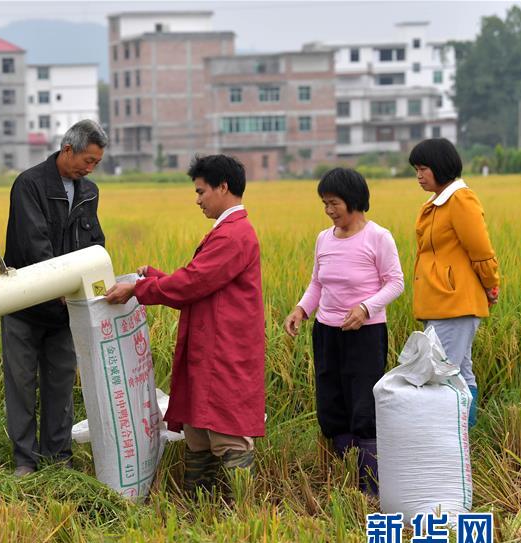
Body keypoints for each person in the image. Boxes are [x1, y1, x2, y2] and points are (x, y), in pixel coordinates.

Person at [104, 154, 265, 501]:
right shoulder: (226, 232)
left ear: (223, 187)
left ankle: (247, 513)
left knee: (226, 432)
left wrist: (139, 289)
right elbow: (197, 285)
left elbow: (193, 283)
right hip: (209, 348)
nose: (198, 200)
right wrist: (155, 279)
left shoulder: (234, 235)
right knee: (198, 431)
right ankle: (200, 509)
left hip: (223, 350)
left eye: (201, 191)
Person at [283, 168, 404, 496]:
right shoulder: (324, 239)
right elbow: (317, 283)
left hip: (365, 335)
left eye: (334, 203)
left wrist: (365, 308)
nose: (329, 210)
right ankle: (344, 479)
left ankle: (370, 489)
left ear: (353, 200)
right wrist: (301, 310)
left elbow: (395, 282)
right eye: (324, 203)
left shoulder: (378, 237)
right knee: (332, 404)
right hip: (327, 332)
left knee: (363, 406)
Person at [1, 120, 108, 477]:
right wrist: (60, 285)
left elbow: (94, 243)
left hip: (65, 311)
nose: (90, 169)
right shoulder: (30, 184)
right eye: (88, 160)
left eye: (96, 163)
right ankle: (25, 461)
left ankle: (58, 459)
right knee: (21, 385)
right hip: (25, 306)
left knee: (60, 384)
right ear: (67, 150)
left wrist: (92, 282)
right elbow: (34, 243)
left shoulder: (89, 191)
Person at [409, 138, 500, 427]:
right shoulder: (436, 203)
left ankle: (453, 437)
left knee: (443, 373)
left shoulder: (460, 199)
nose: (419, 176)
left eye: (423, 169)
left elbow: (481, 251)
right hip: (441, 301)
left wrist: (491, 285)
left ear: (441, 166)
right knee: (460, 371)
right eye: (416, 169)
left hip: (454, 302)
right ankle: (465, 435)